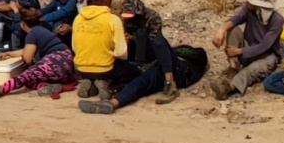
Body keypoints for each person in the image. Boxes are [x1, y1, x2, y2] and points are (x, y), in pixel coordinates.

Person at [79, 44, 209, 115]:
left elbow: (193, 54)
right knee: (140, 83)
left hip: (179, 72)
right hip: (160, 70)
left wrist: (172, 52)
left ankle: (170, 85)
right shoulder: (163, 57)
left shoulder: (196, 55)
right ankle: (112, 103)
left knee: (159, 41)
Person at [0, 7, 74, 98]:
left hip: (57, 59)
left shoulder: (32, 33)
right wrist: (9, 53)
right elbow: (27, 50)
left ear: (22, 23)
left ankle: (1, 88)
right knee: (29, 80)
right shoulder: (40, 30)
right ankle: (49, 86)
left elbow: (27, 58)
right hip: (67, 65)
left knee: (26, 75)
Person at [209, 0, 284, 101]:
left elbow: (265, 45)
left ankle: (229, 88)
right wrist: (222, 30)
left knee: (250, 71)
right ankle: (233, 67)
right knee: (233, 30)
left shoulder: (277, 20)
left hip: (267, 56)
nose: (246, 2)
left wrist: (239, 51)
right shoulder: (248, 10)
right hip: (248, 48)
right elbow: (236, 19)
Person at [72, 0, 141, 100]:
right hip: (105, 68)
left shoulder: (78, 18)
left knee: (100, 66)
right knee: (135, 73)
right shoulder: (113, 19)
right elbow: (121, 53)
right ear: (109, 0)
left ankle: (92, 83)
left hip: (81, 68)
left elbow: (74, 47)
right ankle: (110, 86)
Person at [120, 0, 167, 66]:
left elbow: (155, 39)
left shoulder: (152, 17)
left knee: (140, 32)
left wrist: (133, 38)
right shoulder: (126, 19)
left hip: (150, 51)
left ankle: (139, 65)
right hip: (133, 51)